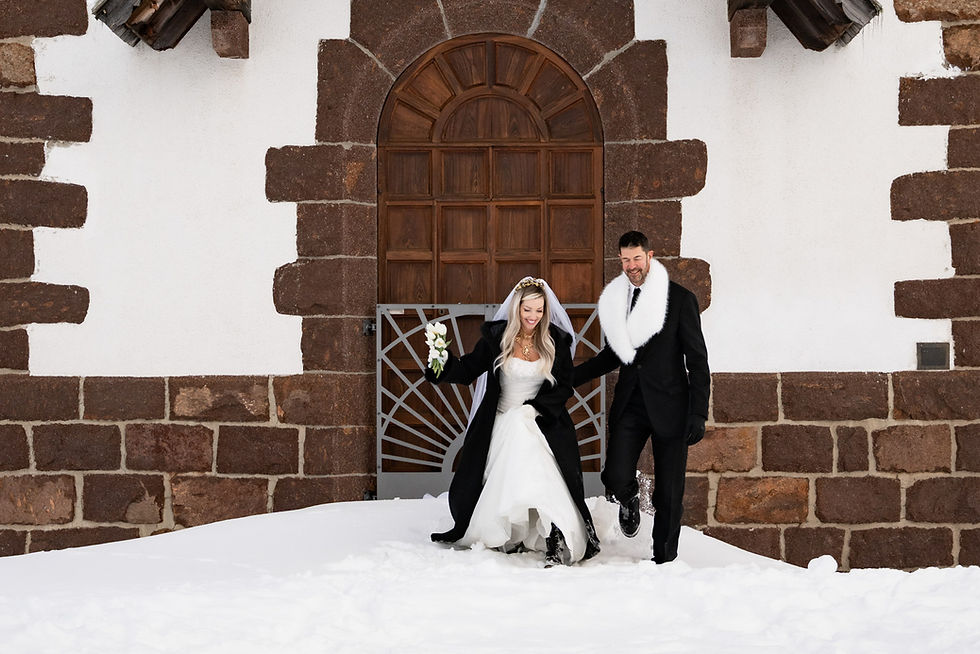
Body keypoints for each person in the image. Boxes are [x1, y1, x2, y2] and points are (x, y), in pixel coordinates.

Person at [424, 277, 600, 566]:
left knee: (538, 456)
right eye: (527, 310)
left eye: (539, 310)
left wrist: (536, 409)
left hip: (542, 421)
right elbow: (467, 370)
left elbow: (563, 387)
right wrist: (440, 363)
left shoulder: (555, 341)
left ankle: (556, 533)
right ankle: (515, 531)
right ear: (517, 308)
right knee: (520, 437)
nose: (533, 317)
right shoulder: (497, 339)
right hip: (502, 421)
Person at [573, 231, 709, 564]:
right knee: (615, 475)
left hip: (672, 407)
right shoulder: (620, 302)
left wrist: (698, 413)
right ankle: (630, 496)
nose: (631, 266)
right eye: (625, 260)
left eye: (636, 258)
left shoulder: (681, 300)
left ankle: (664, 560)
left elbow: (697, 360)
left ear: (650, 256)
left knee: (669, 493)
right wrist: (571, 377)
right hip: (631, 404)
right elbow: (613, 354)